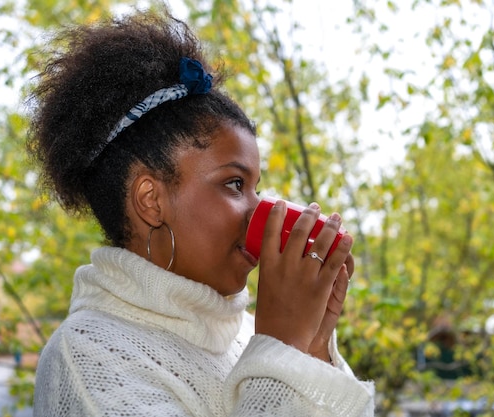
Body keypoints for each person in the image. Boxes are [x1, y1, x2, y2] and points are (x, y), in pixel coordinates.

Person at [27, 7, 374, 417]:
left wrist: (312, 346)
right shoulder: (87, 354)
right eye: (234, 184)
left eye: (256, 188)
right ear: (150, 200)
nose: (258, 209)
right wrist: (283, 347)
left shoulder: (247, 335)